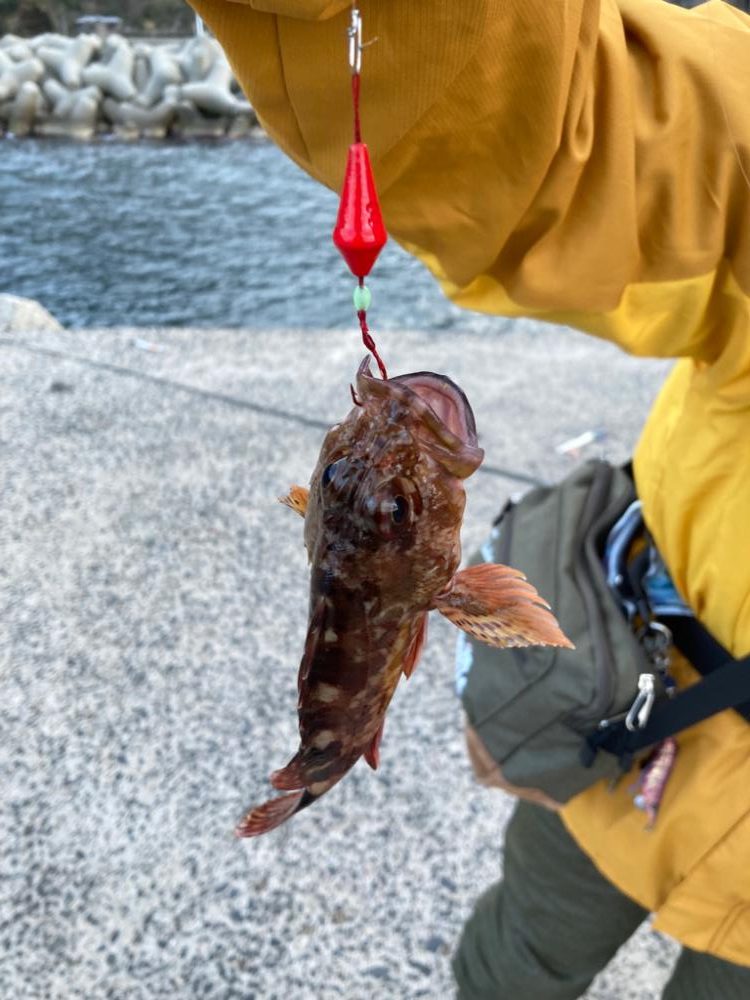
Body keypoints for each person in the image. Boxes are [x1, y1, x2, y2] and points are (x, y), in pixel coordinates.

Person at [186, 1, 750, 995]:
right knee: (511, 963)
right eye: (352, 487)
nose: (398, 434)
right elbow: (574, 119)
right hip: (622, 711)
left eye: (396, 513)